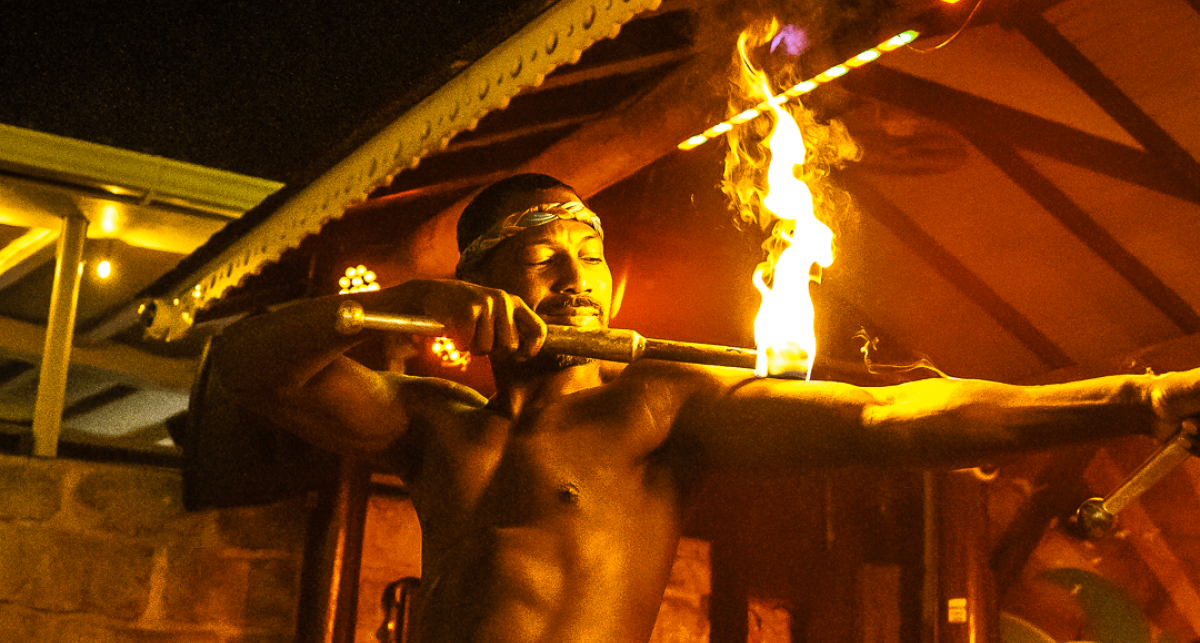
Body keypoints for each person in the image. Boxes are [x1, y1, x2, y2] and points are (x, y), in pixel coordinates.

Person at [212, 172, 1200, 643]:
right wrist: (392, 305)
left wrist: (1137, 397)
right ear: (482, 274)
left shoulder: (653, 408)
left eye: (592, 253)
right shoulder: (432, 421)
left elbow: (887, 420)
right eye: (546, 254)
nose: (577, 275)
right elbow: (245, 364)